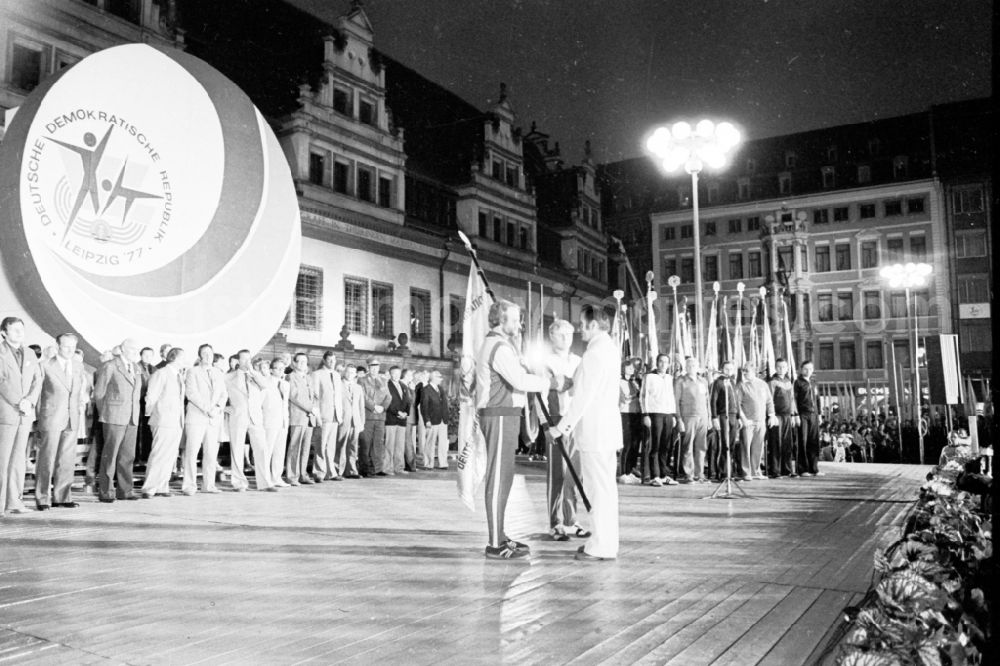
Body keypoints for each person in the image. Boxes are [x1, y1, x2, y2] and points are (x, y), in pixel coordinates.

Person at [476, 299, 552, 560]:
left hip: (505, 414)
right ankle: (495, 543)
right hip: (498, 413)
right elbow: (518, 380)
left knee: (504, 476)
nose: (520, 324)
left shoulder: (503, 345)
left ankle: (500, 534)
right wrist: (544, 382)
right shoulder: (497, 346)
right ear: (501, 320)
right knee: (498, 477)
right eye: (516, 319)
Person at [553, 305, 621, 561]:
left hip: (595, 432)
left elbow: (583, 398)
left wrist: (562, 428)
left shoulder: (595, 355)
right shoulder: (607, 350)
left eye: (582, 324)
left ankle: (601, 546)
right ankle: (605, 541)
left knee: (598, 491)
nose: (580, 329)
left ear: (594, 325)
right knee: (604, 490)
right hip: (604, 431)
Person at [544, 318, 590, 540]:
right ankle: (556, 523)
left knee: (575, 473)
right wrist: (545, 423)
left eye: (569, 335)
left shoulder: (579, 360)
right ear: (552, 336)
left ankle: (572, 520)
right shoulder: (545, 361)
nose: (566, 339)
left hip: (577, 419)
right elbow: (541, 395)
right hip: (555, 418)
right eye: (561, 335)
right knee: (557, 473)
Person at [34, 333, 85, 510]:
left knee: (67, 459)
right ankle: (42, 498)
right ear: (57, 346)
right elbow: (38, 394)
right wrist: (39, 418)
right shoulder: (45, 365)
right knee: (47, 459)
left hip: (72, 418)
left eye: (73, 346)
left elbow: (77, 394)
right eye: (65, 346)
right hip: (51, 418)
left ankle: (62, 497)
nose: (70, 350)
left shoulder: (78, 366)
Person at [0, 317, 43, 517]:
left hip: (25, 414)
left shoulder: (30, 354)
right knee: (2, 460)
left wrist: (30, 401)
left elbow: (37, 380)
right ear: (3, 333)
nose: (19, 333)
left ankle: (14, 502)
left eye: (21, 329)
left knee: (18, 460)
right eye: (14, 330)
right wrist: (19, 402)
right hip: (6, 413)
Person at [94, 339, 143, 502]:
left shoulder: (136, 368)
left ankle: (125, 490)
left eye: (137, 349)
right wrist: (106, 413)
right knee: (110, 455)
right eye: (132, 349)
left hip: (132, 417)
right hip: (113, 416)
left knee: (128, 456)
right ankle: (106, 491)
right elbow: (99, 393)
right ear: (122, 350)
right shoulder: (111, 366)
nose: (136, 352)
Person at [182, 344, 228, 495]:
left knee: (211, 453)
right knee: (192, 452)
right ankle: (189, 485)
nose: (208, 356)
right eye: (204, 353)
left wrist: (217, 408)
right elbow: (191, 393)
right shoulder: (192, 371)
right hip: (197, 417)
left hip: (213, 418)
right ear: (200, 355)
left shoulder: (219, 373)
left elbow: (223, 394)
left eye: (210, 353)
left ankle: (209, 485)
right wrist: (207, 408)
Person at [140, 347, 186, 498]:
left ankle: (162, 486)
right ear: (174, 358)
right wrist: (154, 416)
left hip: (176, 421)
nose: (185, 360)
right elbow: (151, 397)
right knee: (159, 454)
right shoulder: (161, 374)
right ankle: (149, 488)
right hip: (163, 420)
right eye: (182, 357)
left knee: (170, 455)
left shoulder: (179, 375)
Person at [640, 353, 679, 486]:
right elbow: (643, 396)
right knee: (655, 445)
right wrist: (645, 414)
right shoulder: (649, 376)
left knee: (665, 446)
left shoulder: (669, 378)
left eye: (666, 362)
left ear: (668, 364)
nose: (663, 364)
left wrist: (673, 415)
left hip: (667, 414)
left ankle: (664, 475)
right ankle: (654, 476)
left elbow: (671, 396)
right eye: (661, 361)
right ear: (657, 363)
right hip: (654, 413)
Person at [736, 363, 777, 480]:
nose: (745, 373)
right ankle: (746, 472)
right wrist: (743, 419)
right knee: (746, 447)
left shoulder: (763, 384)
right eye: (743, 371)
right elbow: (737, 405)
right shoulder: (741, 386)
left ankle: (756, 471)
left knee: (758, 447)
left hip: (761, 422)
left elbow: (769, 401)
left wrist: (771, 415)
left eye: (747, 371)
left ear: (754, 371)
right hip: (748, 422)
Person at [675, 356, 710, 483]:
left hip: (703, 417)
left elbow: (707, 401)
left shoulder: (703, 381)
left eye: (693, 365)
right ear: (686, 367)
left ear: (697, 367)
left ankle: (699, 473)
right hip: (688, 417)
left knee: (701, 446)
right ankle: (688, 474)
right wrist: (679, 419)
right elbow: (676, 401)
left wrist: (709, 418)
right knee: (688, 446)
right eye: (689, 365)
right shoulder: (681, 381)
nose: (691, 368)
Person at [286, 352, 319, 485]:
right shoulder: (290, 377)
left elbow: (314, 396)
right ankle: (292, 476)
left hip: (309, 417)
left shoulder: (308, 378)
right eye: (299, 361)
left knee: (305, 447)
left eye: (304, 362)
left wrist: (314, 409)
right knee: (295, 446)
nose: (302, 364)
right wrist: (310, 408)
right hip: (298, 416)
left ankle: (303, 474)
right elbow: (294, 396)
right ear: (294, 363)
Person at [311, 351, 344, 482]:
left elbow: (338, 397)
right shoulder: (317, 374)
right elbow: (315, 397)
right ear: (324, 360)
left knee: (331, 446)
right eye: (329, 360)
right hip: (324, 414)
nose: (332, 362)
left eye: (334, 360)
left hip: (335, 415)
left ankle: (331, 472)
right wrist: (317, 415)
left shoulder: (336, 375)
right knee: (321, 444)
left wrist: (340, 415)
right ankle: (319, 472)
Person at [260, 357, 290, 487]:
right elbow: (260, 403)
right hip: (269, 421)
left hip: (283, 421)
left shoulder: (285, 384)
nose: (281, 370)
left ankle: (276, 477)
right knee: (267, 450)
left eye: (283, 368)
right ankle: (265, 478)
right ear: (271, 370)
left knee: (280, 450)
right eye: (278, 368)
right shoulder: (265, 382)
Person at [766, 358, 798, 478]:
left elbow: (792, 399)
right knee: (775, 443)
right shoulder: (772, 381)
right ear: (775, 367)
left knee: (787, 443)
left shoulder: (788, 381)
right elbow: (769, 400)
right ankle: (775, 470)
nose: (781, 369)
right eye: (779, 367)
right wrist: (771, 415)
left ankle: (787, 469)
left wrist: (794, 415)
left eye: (784, 367)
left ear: (787, 368)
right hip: (776, 416)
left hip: (787, 416)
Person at [358, 359, 390, 477]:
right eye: (372, 366)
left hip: (380, 417)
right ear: (368, 368)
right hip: (368, 415)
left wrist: (383, 407)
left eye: (376, 367)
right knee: (365, 443)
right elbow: (363, 397)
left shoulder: (384, 381)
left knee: (378, 443)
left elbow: (388, 396)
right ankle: (364, 469)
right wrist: (373, 407)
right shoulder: (362, 380)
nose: (374, 369)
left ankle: (378, 468)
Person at [335, 365, 364, 478]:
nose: (350, 374)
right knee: (340, 445)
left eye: (352, 373)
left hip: (355, 421)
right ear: (344, 373)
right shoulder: (338, 385)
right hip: (342, 420)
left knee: (353, 446)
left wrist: (361, 422)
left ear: (355, 374)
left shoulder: (358, 387)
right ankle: (338, 470)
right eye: (348, 372)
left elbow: (361, 406)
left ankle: (351, 470)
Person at [794, 360, 822, 476]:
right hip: (802, 414)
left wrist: (819, 414)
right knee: (803, 441)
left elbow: (818, 399)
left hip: (814, 414)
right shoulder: (797, 382)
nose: (808, 371)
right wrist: (795, 415)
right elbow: (794, 400)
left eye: (810, 369)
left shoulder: (813, 382)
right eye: (805, 369)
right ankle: (803, 469)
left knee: (814, 441)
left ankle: (814, 468)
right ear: (801, 369)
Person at [618, 359, 642, 484]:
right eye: (629, 367)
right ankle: (622, 472)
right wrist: (636, 395)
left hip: (636, 414)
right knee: (626, 444)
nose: (631, 370)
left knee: (634, 444)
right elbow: (623, 399)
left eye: (633, 368)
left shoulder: (635, 382)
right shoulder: (618, 382)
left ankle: (630, 470)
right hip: (625, 414)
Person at [383, 366, 410, 475]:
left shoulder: (403, 386)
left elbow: (408, 401)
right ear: (390, 374)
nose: (397, 375)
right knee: (389, 445)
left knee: (400, 445)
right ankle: (388, 468)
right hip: (391, 418)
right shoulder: (387, 385)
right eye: (394, 373)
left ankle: (399, 467)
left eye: (398, 373)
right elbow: (387, 402)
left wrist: (406, 413)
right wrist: (397, 412)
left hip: (402, 420)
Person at [420, 370, 449, 469]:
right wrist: (426, 420)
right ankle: (428, 463)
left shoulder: (440, 388)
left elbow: (444, 403)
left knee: (443, 443)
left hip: (442, 420)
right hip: (432, 420)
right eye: (439, 377)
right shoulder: (425, 389)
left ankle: (443, 463)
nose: (441, 379)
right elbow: (424, 406)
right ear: (433, 378)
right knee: (430, 442)